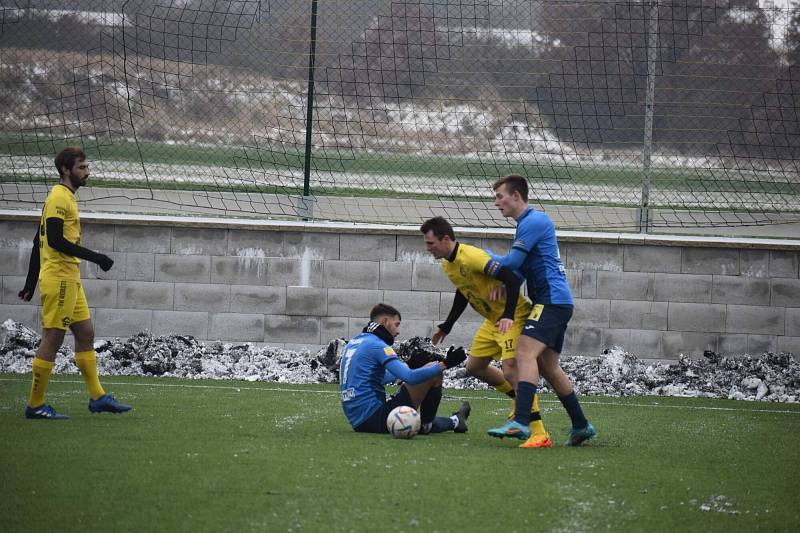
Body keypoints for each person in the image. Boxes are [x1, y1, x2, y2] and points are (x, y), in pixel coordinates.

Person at [18, 146, 132, 419]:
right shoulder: (60, 197)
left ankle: (98, 397)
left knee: (85, 334)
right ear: (65, 170)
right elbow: (55, 241)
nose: (87, 172)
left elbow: (38, 241)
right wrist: (97, 257)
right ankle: (35, 404)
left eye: (87, 167)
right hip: (59, 280)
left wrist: (30, 282)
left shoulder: (63, 197)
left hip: (69, 279)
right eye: (82, 168)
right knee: (53, 339)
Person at [421, 216, 552, 448]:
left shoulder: (472, 257)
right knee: (475, 367)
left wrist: (509, 315)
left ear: (446, 239)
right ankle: (521, 399)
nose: (427, 248)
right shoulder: (447, 264)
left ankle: (539, 433)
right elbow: (464, 291)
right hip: (493, 320)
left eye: (431, 243)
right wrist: (447, 325)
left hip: (514, 316)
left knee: (511, 370)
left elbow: (511, 279)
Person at [486, 175, 596, 447]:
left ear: (516, 196)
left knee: (524, 352)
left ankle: (521, 421)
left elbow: (511, 261)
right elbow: (521, 269)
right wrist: (506, 284)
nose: (496, 202)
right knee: (548, 366)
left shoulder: (534, 221)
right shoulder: (527, 224)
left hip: (551, 301)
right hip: (555, 302)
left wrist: (480, 259)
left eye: (500, 196)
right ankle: (582, 425)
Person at [339, 303, 470, 435]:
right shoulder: (377, 345)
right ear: (385, 321)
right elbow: (410, 378)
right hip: (376, 417)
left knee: (409, 417)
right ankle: (427, 425)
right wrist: (445, 364)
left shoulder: (355, 342)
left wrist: (407, 365)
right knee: (434, 372)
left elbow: (379, 378)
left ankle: (456, 421)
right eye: (397, 324)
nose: (398, 331)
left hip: (359, 422)